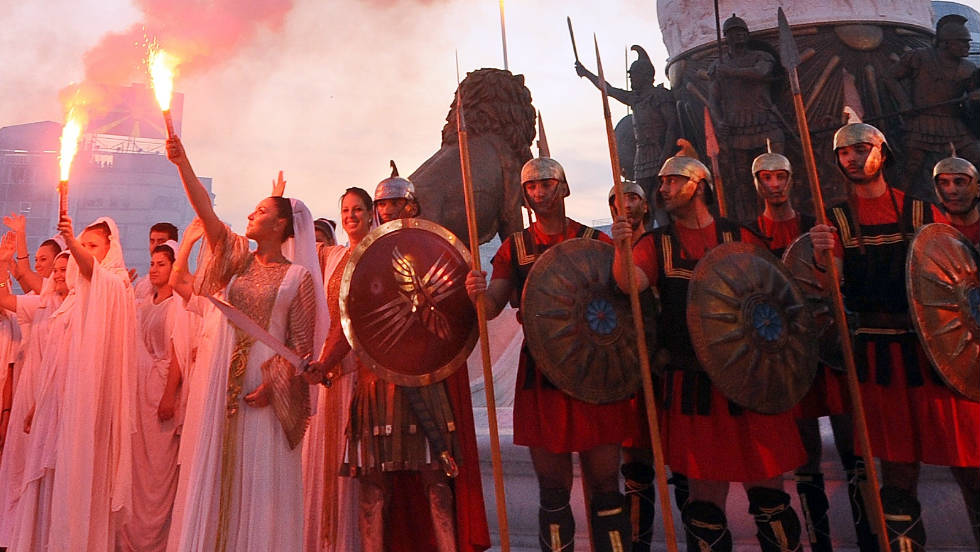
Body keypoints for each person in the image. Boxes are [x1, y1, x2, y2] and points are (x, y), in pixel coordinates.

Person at [611, 151, 806, 551]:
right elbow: (631, 283)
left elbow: (775, 297)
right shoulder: (658, 244)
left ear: (698, 186)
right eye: (662, 182)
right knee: (704, 508)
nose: (663, 189)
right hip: (693, 384)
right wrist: (621, 248)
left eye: (672, 181)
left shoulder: (740, 237)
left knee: (770, 499)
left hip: (750, 380)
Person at [809, 122, 980, 550]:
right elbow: (831, 288)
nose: (852, 158)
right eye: (844, 152)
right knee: (898, 475)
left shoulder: (923, 213)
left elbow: (955, 280)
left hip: (935, 353)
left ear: (882, 153)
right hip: (879, 357)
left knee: (971, 463)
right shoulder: (835, 220)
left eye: (861, 149)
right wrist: (821, 255)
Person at [310, 173, 489, 552]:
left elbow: (458, 313)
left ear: (413, 206)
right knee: (373, 488)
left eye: (396, 203)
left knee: (437, 483)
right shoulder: (364, 259)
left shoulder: (432, 249)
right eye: (383, 204)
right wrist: (324, 363)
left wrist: (475, 292)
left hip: (425, 381)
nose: (389, 209)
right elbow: (347, 323)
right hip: (375, 383)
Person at [165, 136, 326, 551]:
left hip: (264, 387)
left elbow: (301, 347)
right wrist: (183, 163)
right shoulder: (235, 258)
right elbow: (207, 212)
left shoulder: (299, 278)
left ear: (280, 226)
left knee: (258, 478)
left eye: (262, 211)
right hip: (221, 376)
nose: (251, 215)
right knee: (216, 467)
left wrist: (274, 385)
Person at [465, 157, 633, 552]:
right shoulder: (516, 247)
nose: (539, 192)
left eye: (546, 184)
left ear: (563, 187)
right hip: (542, 373)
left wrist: (625, 249)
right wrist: (477, 293)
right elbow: (492, 306)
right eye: (532, 187)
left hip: (594, 372)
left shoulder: (595, 240)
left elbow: (625, 297)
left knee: (606, 486)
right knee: (553, 489)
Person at [747, 148, 869, 552]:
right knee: (806, 455)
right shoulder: (750, 235)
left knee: (853, 447)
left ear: (791, 180)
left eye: (780, 176)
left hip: (828, 346)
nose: (774, 184)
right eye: (767, 177)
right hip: (787, 355)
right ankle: (820, 542)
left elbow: (836, 281)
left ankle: (868, 537)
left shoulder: (814, 227)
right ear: (757, 183)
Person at [49, 215, 139, 551]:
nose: (85, 251)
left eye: (93, 246)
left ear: (110, 249)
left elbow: (92, 272)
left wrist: (71, 241)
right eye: (83, 245)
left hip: (101, 399)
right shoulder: (77, 294)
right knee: (70, 473)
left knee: (93, 473)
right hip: (74, 396)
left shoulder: (116, 284)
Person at [302, 188, 371, 552]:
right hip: (327, 373)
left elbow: (356, 319)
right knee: (318, 467)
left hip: (357, 376)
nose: (350, 216)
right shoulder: (332, 255)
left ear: (370, 213)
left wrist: (328, 361)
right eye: (345, 210)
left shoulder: (376, 254)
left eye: (357, 209)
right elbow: (296, 248)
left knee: (350, 469)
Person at [118, 240, 192, 551]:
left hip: (162, 388)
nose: (154, 269)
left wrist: (169, 396)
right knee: (137, 469)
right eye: (152, 263)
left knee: (158, 472)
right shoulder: (144, 301)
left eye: (162, 264)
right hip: (140, 390)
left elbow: (178, 353)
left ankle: (155, 542)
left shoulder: (178, 305)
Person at [0, 250, 74, 550]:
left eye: (64, 269)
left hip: (63, 396)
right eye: (56, 269)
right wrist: (2, 266)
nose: (58, 274)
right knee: (21, 465)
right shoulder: (43, 303)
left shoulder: (80, 308)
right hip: (34, 390)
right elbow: (5, 298)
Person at [577, 46, 678, 221]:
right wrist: (586, 73)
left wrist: (666, 153)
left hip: (660, 154)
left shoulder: (659, 96)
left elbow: (672, 125)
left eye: (633, 76)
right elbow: (608, 89)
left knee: (661, 203)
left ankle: (665, 232)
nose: (631, 79)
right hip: (641, 158)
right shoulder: (634, 98)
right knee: (643, 204)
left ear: (644, 76)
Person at [885, 14, 980, 198]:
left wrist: (975, 96)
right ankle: (899, 204)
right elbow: (890, 77)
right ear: (946, 43)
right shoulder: (920, 57)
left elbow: (973, 97)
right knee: (910, 167)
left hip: (954, 123)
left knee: (975, 155)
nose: (967, 46)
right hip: (922, 122)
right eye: (962, 42)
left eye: (968, 42)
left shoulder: (968, 69)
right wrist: (904, 102)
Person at [708, 14, 785, 222]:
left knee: (776, 175)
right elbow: (713, 100)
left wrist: (730, 72)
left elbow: (761, 73)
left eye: (742, 31)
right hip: (737, 130)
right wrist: (719, 121)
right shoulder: (719, 66)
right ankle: (750, 225)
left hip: (766, 124)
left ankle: (780, 220)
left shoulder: (761, 57)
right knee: (743, 184)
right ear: (726, 38)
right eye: (734, 33)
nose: (739, 35)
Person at [3, 213, 63, 295]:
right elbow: (30, 293)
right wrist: (17, 274)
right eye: (36, 260)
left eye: (43, 259)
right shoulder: (45, 291)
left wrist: (20, 233)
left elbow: (5, 298)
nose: (37, 266)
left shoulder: (55, 290)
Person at [933, 154, 979, 247]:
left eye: (960, 182)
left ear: (978, 189)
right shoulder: (932, 235)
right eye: (944, 183)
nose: (952, 190)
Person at [133, 223, 180, 307]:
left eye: (161, 242)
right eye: (152, 241)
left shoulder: (181, 291)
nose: (155, 246)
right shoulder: (141, 284)